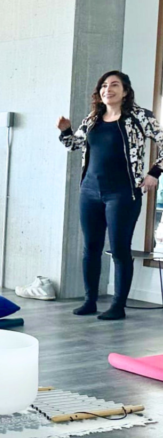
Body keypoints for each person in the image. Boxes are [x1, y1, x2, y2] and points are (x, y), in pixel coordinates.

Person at [59, 70, 163, 320]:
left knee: (119, 249)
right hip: (90, 191)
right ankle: (90, 301)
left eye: (115, 85)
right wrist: (65, 130)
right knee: (91, 248)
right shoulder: (93, 118)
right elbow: (74, 145)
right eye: (104, 85)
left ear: (125, 91)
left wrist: (154, 173)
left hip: (123, 193)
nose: (108, 89)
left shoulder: (140, 117)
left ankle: (118, 306)